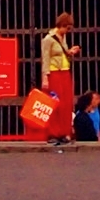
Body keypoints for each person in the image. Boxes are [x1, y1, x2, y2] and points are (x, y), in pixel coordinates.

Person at [37, 13, 79, 149]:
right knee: (55, 103)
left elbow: (63, 53)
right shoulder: (48, 40)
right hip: (54, 73)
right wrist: (45, 77)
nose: (68, 31)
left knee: (67, 102)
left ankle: (65, 132)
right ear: (61, 26)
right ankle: (53, 133)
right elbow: (46, 59)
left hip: (65, 71)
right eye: (67, 28)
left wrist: (71, 51)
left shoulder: (63, 37)